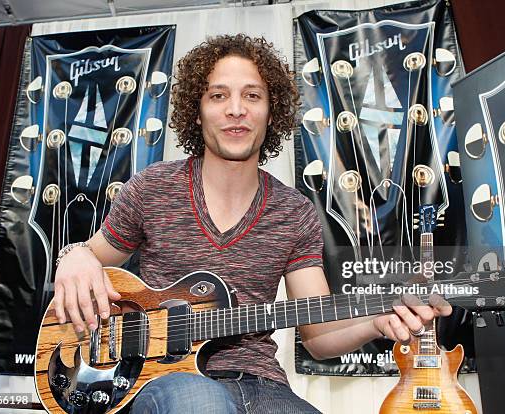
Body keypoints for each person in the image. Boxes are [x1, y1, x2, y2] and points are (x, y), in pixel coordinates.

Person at [53, 34, 451, 414]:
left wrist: (376, 321)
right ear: (197, 109)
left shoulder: (294, 212)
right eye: (218, 95)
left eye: (252, 96)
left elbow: (318, 335)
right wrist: (75, 257)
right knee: (204, 404)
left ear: (270, 111)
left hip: (262, 384)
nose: (235, 109)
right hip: (167, 384)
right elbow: (90, 255)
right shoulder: (152, 188)